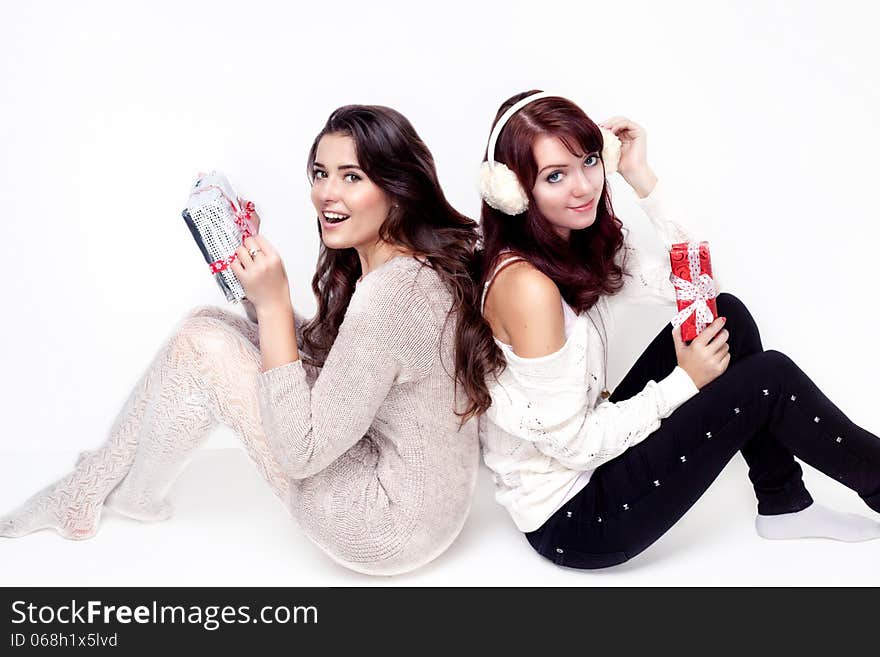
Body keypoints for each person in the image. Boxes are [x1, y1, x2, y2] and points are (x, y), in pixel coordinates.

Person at [0, 105, 486, 577]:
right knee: (210, 321)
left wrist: (274, 306)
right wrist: (254, 289)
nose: (326, 194)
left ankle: (92, 491)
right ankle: (122, 493)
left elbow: (302, 450)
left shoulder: (390, 297)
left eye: (352, 177)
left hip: (383, 527)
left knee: (202, 340)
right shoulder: (412, 270)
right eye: (320, 173)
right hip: (430, 508)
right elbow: (335, 363)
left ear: (397, 189)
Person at [474, 90, 880, 569]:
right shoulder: (527, 287)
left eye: (588, 161)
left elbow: (700, 288)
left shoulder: (574, 244)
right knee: (769, 377)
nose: (582, 187)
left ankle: (783, 502)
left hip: (589, 468)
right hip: (577, 519)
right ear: (514, 192)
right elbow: (573, 445)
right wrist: (683, 383)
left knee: (725, 313)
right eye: (555, 176)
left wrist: (640, 176)